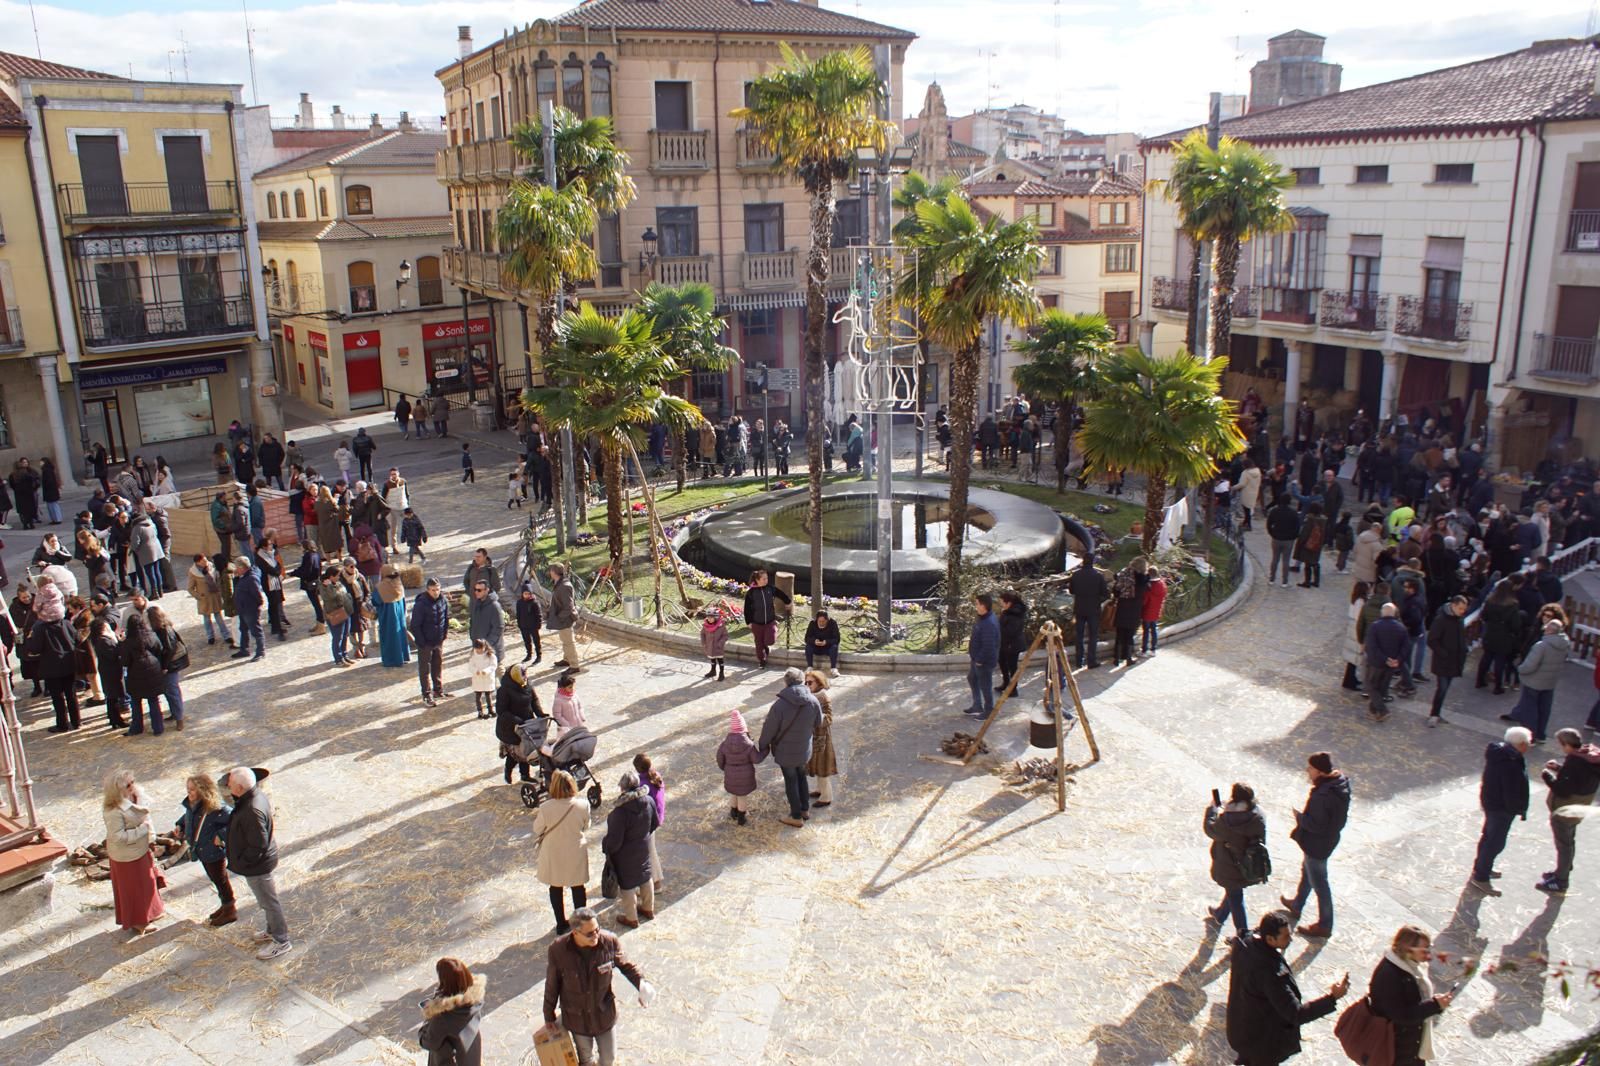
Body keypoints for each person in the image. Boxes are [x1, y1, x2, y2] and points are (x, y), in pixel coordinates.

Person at [1225, 910, 1349, 1066]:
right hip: (1262, 1043)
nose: (1291, 940)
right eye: (1285, 936)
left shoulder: (1245, 944)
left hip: (1241, 1028)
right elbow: (1295, 1014)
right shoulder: (1270, 974)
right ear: (1270, 939)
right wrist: (1332, 998)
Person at [541, 907, 650, 1066]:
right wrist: (548, 1014)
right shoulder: (558, 950)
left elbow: (626, 966)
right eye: (590, 933)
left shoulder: (609, 941)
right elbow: (552, 983)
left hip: (604, 1014)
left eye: (597, 929)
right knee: (586, 1060)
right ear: (575, 932)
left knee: (609, 1059)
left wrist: (642, 984)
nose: (596, 935)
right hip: (577, 1018)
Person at [1280, 753, 1350, 939]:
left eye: (1310, 768)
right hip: (1326, 840)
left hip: (1317, 844)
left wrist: (1299, 817)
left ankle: (1325, 925)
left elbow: (1315, 824)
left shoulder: (1323, 795)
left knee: (1320, 884)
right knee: (1307, 872)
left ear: (1319, 771)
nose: (1307, 771)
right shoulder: (1339, 784)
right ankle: (1297, 904)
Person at [225, 766, 291, 959]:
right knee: (265, 901)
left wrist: (244, 862)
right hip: (258, 863)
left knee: (269, 902)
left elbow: (258, 844)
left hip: (258, 865)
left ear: (239, 787)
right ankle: (271, 931)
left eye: (230, 783)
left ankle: (281, 940)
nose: (227, 786)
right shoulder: (255, 797)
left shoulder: (251, 809)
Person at [1368, 926, 1453, 1066]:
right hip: (1395, 1049)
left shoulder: (1411, 967)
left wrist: (1437, 1005)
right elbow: (1402, 1015)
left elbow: (1416, 1003)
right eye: (1424, 949)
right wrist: (1434, 1005)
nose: (1428, 953)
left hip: (1409, 1046)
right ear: (1408, 949)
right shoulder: (1390, 975)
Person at [1536, 727, 1600, 894]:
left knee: (1564, 844)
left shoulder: (1574, 762)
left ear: (1565, 744)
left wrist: (1547, 776)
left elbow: (1563, 789)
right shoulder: (1589, 757)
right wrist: (1559, 768)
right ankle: (1562, 871)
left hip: (1565, 810)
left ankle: (1561, 881)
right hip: (1580, 807)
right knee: (1569, 840)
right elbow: (1579, 778)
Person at [1470, 726, 1532, 894]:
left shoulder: (1500, 755)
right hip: (1501, 808)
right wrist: (1516, 809)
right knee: (1495, 842)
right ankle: (1481, 876)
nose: (1529, 747)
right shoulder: (1510, 762)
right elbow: (1511, 790)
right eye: (1527, 743)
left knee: (1488, 837)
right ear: (1520, 744)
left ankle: (1482, 866)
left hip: (1492, 803)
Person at [758, 667, 823, 828]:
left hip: (785, 751)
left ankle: (795, 816)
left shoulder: (779, 705)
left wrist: (762, 745)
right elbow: (818, 723)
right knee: (802, 776)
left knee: (791, 780)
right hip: (804, 749)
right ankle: (804, 809)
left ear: (786, 682)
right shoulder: (813, 701)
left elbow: (769, 729)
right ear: (802, 681)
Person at [102, 770, 165, 934]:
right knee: (134, 889)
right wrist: (142, 831)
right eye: (128, 785)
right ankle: (139, 921)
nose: (132, 786)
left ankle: (152, 911)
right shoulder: (113, 811)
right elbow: (118, 836)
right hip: (126, 856)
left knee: (147, 882)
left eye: (133, 782)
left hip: (141, 849)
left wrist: (150, 836)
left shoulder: (136, 795)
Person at [1205, 781, 1267, 936]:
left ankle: (1243, 934)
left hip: (1230, 864)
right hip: (1251, 863)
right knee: (1234, 890)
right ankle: (1220, 914)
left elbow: (1210, 829)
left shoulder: (1227, 820)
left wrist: (1211, 810)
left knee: (1236, 896)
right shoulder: (1258, 816)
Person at [175, 772, 235, 926]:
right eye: (188, 789)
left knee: (220, 880)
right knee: (215, 879)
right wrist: (180, 825)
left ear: (202, 790)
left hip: (213, 851)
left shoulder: (216, 808)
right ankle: (225, 905)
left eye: (192, 790)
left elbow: (233, 824)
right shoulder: (192, 805)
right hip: (202, 850)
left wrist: (220, 836)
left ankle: (230, 909)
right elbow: (188, 816)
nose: (189, 793)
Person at [602, 769, 659, 928]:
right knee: (645, 876)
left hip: (624, 854)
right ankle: (648, 909)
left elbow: (614, 840)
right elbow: (655, 823)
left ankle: (631, 918)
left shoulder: (619, 813)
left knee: (627, 885)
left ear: (623, 788)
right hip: (643, 847)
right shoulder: (649, 801)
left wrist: (606, 847)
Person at [24, 582, 80, 732]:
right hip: (68, 663)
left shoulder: (40, 628)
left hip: (51, 667)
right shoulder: (66, 623)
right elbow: (76, 639)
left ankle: (62, 724)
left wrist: (29, 640)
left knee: (58, 697)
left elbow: (34, 648)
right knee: (71, 694)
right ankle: (76, 721)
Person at [1511, 619, 1571, 742]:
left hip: (1534, 681)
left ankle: (1530, 737)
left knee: (1530, 709)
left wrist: (1519, 669)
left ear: (1548, 630)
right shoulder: (1564, 644)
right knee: (1544, 709)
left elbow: (1529, 666)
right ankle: (1540, 735)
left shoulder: (1541, 646)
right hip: (1550, 682)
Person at [418, 957, 485, 1066]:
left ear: (445, 982)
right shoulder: (475, 1000)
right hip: (471, 1058)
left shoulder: (443, 1017)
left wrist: (428, 1017)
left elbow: (428, 1042)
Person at [1476, 579, 1525, 695]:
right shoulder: (1512, 605)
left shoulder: (1490, 601)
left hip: (1490, 632)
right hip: (1504, 635)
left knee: (1486, 657)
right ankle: (1498, 686)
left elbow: (1484, 616)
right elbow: (1515, 624)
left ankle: (1480, 680)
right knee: (1500, 661)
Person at [1425, 595, 1468, 725]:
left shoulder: (1458, 619)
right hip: (1444, 661)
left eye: (1463, 609)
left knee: (1444, 688)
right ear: (1453, 606)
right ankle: (1434, 714)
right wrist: (1443, 653)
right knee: (1442, 688)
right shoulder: (1441, 620)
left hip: (1453, 660)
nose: (1462, 611)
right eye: (1460, 608)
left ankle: (1436, 713)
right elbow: (1432, 640)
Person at [146, 604, 188, 731]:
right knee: (168, 691)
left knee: (172, 690)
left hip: (170, 665)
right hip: (168, 664)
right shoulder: (161, 629)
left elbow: (169, 650)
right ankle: (175, 713)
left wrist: (164, 666)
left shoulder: (165, 630)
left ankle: (179, 718)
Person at [1363, 602, 1407, 721]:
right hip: (1392, 664)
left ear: (1382, 612)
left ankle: (1382, 711)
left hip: (1377, 663)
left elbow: (1372, 647)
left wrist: (1385, 659)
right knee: (1382, 688)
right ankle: (1374, 710)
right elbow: (1405, 647)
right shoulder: (1401, 628)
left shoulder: (1375, 626)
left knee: (1371, 686)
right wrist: (1398, 660)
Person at [410, 577, 451, 704]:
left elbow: (446, 618)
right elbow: (415, 625)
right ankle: (426, 694)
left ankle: (438, 690)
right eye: (433, 590)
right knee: (424, 669)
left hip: (438, 640)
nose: (436, 592)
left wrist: (443, 635)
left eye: (438, 589)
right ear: (428, 590)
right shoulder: (421, 604)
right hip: (425, 642)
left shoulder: (443, 600)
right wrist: (421, 642)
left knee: (437, 666)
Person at [718, 710, 762, 826]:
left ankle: (733, 812)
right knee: (742, 796)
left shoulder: (724, 744)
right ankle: (742, 818)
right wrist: (766, 750)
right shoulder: (749, 744)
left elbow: (719, 759)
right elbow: (756, 759)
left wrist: (725, 768)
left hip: (730, 774)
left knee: (734, 793)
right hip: (745, 776)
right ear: (744, 728)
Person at [804, 668, 837, 808]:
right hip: (813, 736)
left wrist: (816, 719)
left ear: (818, 683)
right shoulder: (811, 695)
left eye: (810, 682)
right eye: (805, 682)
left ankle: (826, 797)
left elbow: (829, 718)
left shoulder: (823, 697)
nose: (807, 685)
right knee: (817, 765)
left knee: (823, 768)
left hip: (822, 737)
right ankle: (819, 790)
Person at [633, 753, 666, 892]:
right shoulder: (656, 777)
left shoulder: (642, 785)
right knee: (649, 850)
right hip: (657, 817)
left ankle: (656, 882)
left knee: (649, 851)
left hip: (648, 821)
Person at [742, 569, 789, 668]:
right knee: (759, 644)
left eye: (767, 578)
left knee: (770, 641)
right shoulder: (751, 593)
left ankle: (767, 645)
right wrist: (749, 622)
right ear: (757, 580)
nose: (766, 580)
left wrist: (788, 602)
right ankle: (762, 661)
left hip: (770, 621)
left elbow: (780, 594)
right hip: (756, 623)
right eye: (763, 579)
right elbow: (747, 609)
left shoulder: (770, 589)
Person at [965, 593, 1000, 720]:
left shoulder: (988, 623)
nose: (976, 606)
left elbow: (989, 645)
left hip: (983, 662)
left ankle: (989, 710)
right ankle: (977, 705)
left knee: (985, 685)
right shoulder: (984, 618)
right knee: (972, 679)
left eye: (977, 604)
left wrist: (979, 660)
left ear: (983, 606)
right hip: (977, 659)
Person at [1068, 557, 1107, 669]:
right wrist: (1097, 601)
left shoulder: (1076, 575)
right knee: (1093, 636)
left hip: (1079, 608)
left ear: (1082, 562)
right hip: (1093, 609)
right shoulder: (1098, 576)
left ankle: (1079, 660)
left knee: (1079, 635)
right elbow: (1105, 593)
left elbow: (1071, 591)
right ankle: (1091, 660)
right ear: (1093, 563)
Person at [186, 554, 228, 646]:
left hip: (214, 596)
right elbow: (190, 588)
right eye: (203, 561)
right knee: (207, 619)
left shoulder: (211, 567)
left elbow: (217, 580)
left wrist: (220, 591)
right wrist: (199, 596)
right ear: (198, 562)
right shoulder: (193, 572)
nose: (206, 562)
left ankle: (226, 635)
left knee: (219, 617)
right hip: (204, 598)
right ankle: (210, 636)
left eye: (205, 560)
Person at [230, 556, 265, 662]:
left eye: (237, 567)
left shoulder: (251, 578)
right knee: (243, 629)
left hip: (250, 609)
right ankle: (244, 649)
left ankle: (261, 652)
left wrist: (256, 606)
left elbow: (258, 595)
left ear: (242, 567)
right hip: (242, 609)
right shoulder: (242, 576)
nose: (235, 569)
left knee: (256, 631)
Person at [547, 562, 580, 670]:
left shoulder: (564, 586)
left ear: (554, 572)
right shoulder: (559, 582)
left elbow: (568, 607)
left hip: (565, 619)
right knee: (564, 640)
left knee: (568, 642)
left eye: (551, 570)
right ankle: (567, 659)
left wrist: (560, 617)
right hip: (562, 618)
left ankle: (574, 665)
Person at [375, 564, 410, 668]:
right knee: (400, 636)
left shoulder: (381, 586)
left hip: (388, 616)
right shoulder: (399, 584)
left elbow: (376, 601)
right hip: (399, 616)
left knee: (389, 637)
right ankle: (403, 656)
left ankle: (391, 660)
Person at [996, 591, 1027, 692]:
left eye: (1002, 602)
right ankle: (1006, 683)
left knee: (1012, 667)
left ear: (1008, 603)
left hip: (1012, 644)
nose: (1000, 604)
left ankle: (1013, 689)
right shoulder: (1007, 611)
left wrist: (997, 628)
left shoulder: (1016, 614)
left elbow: (1010, 631)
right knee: (1002, 663)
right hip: (1004, 643)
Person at [1266, 496, 1300, 588]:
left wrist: (1272, 533)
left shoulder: (1274, 511)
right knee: (1286, 560)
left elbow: (1269, 524)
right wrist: (1293, 536)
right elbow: (1297, 527)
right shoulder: (1293, 513)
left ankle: (1271, 579)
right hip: (1288, 540)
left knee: (1275, 559)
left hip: (1276, 538)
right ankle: (1284, 581)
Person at [1293, 502, 1326, 588]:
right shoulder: (1323, 521)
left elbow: (1305, 533)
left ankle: (1307, 581)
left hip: (1308, 544)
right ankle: (1316, 581)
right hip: (1318, 545)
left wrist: (1300, 542)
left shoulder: (1310, 520)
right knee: (1315, 562)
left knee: (1307, 563)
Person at [512, 581, 543, 664]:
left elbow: (539, 615)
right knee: (527, 641)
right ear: (522, 594)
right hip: (523, 625)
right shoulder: (519, 603)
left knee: (536, 641)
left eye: (528, 593)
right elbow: (518, 614)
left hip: (533, 626)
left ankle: (539, 656)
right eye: (525, 593)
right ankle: (529, 654)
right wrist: (519, 624)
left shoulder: (534, 603)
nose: (527, 595)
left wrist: (538, 624)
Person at [804, 610, 841, 675]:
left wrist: (826, 642)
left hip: (828, 648)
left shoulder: (833, 623)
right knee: (808, 646)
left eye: (823, 621)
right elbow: (807, 638)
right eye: (819, 621)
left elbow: (837, 639)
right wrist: (814, 641)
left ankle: (833, 669)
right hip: (816, 647)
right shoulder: (812, 623)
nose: (821, 623)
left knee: (834, 647)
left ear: (827, 620)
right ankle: (809, 667)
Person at [469, 638, 498, 720]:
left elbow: (493, 665)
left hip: (487, 678)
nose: (479, 651)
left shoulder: (490, 655)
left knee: (488, 694)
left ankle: (490, 710)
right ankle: (480, 711)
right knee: (478, 696)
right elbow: (470, 666)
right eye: (477, 650)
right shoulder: (473, 656)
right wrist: (475, 671)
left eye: (480, 649)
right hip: (477, 679)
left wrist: (486, 671)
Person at [552, 671, 587, 736]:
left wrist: (582, 716)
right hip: (567, 730)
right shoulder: (558, 700)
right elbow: (557, 715)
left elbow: (579, 706)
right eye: (570, 687)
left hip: (579, 725)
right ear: (563, 688)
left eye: (573, 686)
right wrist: (567, 725)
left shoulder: (574, 695)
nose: (572, 689)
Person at [700, 606, 727, 681]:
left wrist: (720, 643)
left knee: (720, 660)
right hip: (709, 646)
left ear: (716, 617)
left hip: (718, 647)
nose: (709, 619)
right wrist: (703, 642)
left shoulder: (721, 626)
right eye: (708, 617)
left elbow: (725, 636)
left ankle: (721, 673)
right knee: (712, 659)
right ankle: (713, 671)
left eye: (711, 617)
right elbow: (702, 634)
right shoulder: (705, 625)